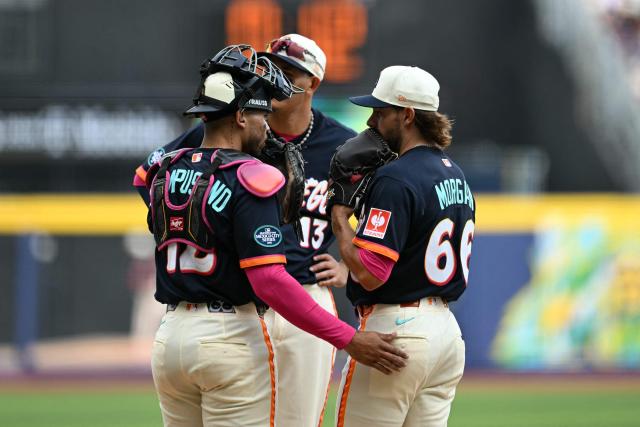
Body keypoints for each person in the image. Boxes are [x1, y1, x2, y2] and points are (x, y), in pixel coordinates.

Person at [143, 45, 408, 427]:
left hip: (172, 334)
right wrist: (349, 337)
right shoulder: (252, 174)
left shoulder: (169, 170)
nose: (264, 122)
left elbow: (147, 182)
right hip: (234, 324)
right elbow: (268, 279)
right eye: (258, 112)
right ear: (238, 116)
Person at [330, 66, 476, 427]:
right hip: (445, 333)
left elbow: (370, 273)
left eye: (381, 112)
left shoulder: (396, 177)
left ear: (407, 115)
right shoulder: (454, 173)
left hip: (397, 332)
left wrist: (339, 218)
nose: (372, 121)